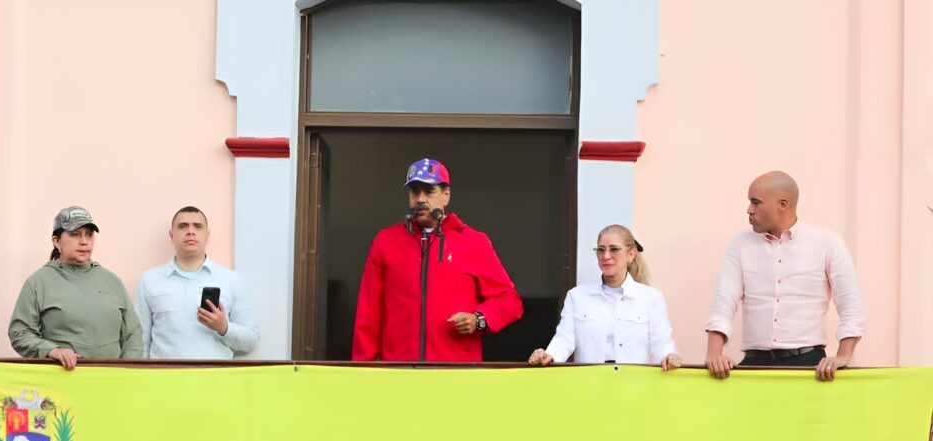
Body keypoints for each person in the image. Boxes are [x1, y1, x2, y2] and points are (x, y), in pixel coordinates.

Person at [351, 158, 523, 362]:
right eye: (415, 191)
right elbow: (368, 314)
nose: (421, 199)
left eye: (429, 191)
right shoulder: (386, 242)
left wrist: (479, 319)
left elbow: (510, 301)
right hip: (398, 375)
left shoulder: (474, 242)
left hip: (455, 376)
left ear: (446, 195)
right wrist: (362, 371)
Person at [704, 171, 864, 381]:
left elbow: (850, 304)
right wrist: (714, 354)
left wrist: (843, 356)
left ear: (782, 204)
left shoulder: (827, 243)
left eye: (756, 202)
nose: (749, 210)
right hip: (754, 365)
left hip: (809, 366)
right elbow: (725, 300)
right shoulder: (740, 243)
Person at [529, 225, 681, 370]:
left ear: (631, 254)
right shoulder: (576, 296)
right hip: (590, 388)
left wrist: (669, 356)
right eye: (601, 250)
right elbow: (564, 339)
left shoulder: (651, 298)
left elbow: (661, 342)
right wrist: (548, 355)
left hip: (635, 388)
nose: (606, 256)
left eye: (614, 249)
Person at [8, 206, 142, 370]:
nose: (84, 241)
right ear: (56, 241)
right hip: (62, 383)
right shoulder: (38, 282)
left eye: (89, 234)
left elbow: (133, 334)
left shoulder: (112, 281)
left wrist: (125, 372)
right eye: (75, 234)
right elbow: (20, 333)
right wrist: (52, 351)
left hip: (110, 383)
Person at [134, 206, 259, 359]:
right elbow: (140, 342)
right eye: (182, 226)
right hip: (164, 379)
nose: (190, 231)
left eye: (198, 226)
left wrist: (224, 328)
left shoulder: (232, 280)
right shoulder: (149, 280)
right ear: (171, 235)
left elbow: (251, 341)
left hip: (214, 380)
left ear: (207, 235)